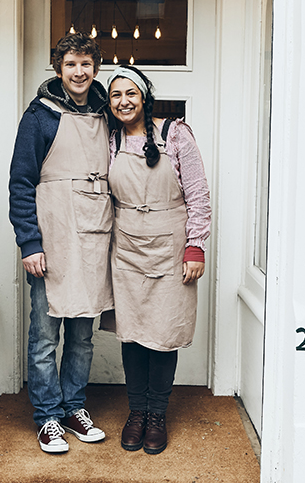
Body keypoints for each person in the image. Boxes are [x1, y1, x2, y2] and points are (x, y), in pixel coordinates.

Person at [8, 33, 113, 453]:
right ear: (58, 69)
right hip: (51, 243)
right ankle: (48, 416)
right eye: (71, 64)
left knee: (83, 335)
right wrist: (29, 243)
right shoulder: (39, 116)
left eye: (86, 64)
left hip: (92, 238)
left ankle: (74, 406)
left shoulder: (108, 115)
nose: (79, 72)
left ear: (96, 68)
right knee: (45, 336)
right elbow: (20, 184)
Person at [104, 65, 211, 455]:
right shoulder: (111, 140)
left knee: (163, 336)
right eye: (115, 95)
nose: (123, 102)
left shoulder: (175, 134)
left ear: (144, 98)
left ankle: (156, 415)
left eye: (130, 93)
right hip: (127, 246)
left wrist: (195, 246)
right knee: (132, 334)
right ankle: (136, 412)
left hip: (170, 245)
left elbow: (198, 193)